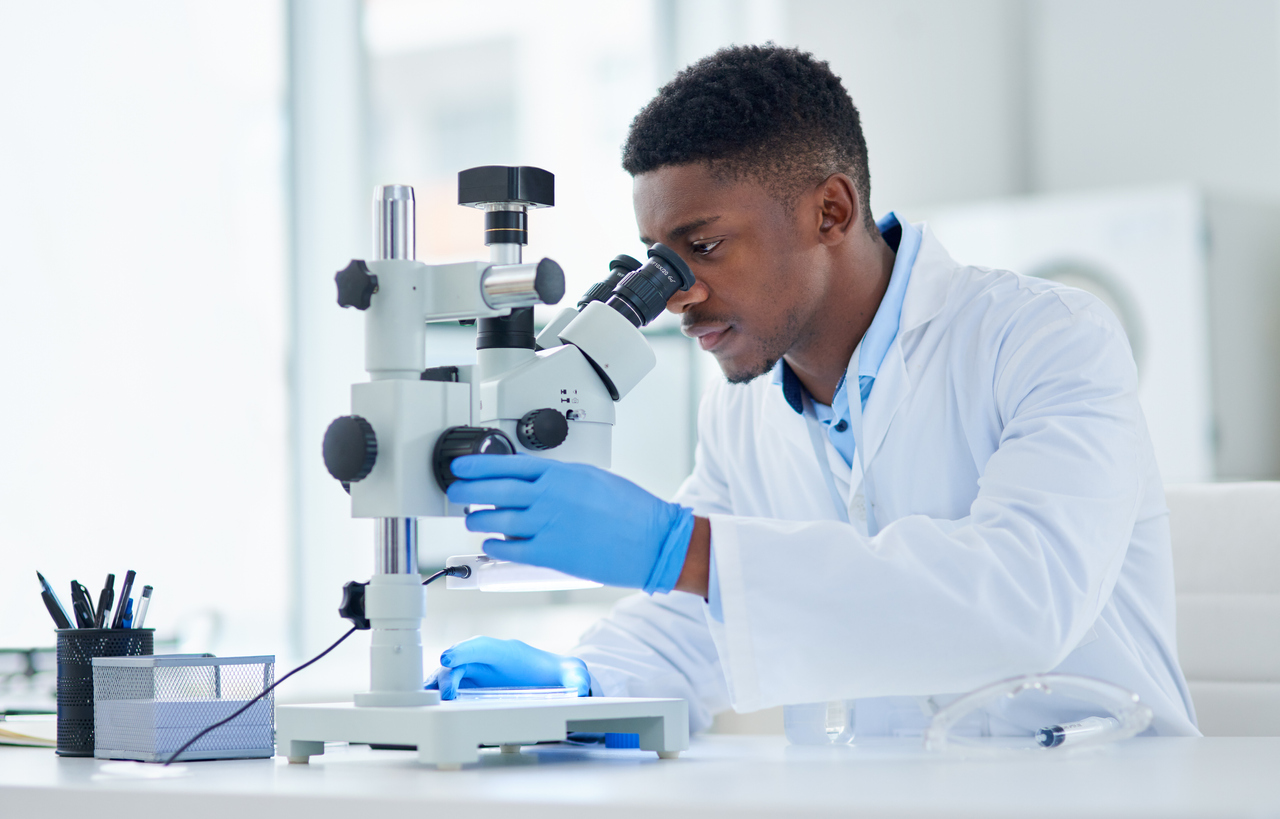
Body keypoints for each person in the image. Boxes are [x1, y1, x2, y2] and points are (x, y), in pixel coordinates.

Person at [426, 45, 1199, 738]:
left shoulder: (1048, 337)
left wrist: (680, 547)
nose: (676, 295)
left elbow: (1024, 597)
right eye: (656, 261)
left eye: (702, 247)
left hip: (1100, 784)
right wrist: (585, 678)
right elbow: (701, 623)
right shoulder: (740, 410)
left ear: (830, 211)